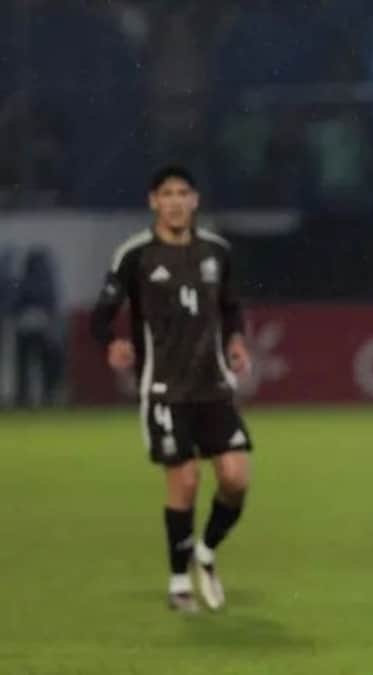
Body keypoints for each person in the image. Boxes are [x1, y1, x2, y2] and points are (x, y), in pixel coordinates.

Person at [90, 166, 254, 612]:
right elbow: (100, 315)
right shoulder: (136, 254)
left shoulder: (216, 251)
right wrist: (112, 343)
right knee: (185, 480)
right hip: (164, 389)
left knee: (236, 480)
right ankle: (179, 583)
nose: (176, 200)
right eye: (167, 193)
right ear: (153, 202)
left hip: (213, 386)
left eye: (184, 192)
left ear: (195, 200)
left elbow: (232, 307)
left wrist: (236, 341)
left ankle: (205, 551)